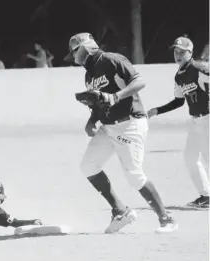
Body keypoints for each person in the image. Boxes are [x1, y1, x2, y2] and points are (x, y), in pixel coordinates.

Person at [64, 32, 178, 234]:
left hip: (130, 123)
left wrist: (115, 96)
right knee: (88, 166)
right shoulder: (89, 73)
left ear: (83, 48)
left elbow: (139, 82)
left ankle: (167, 219)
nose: (74, 59)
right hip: (108, 126)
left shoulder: (112, 60)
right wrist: (92, 120)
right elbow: (99, 103)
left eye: (74, 53)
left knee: (134, 175)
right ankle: (120, 211)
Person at [147, 36, 209, 208]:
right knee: (190, 157)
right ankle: (206, 196)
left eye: (182, 52)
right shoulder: (179, 76)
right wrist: (157, 110)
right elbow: (179, 101)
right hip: (197, 121)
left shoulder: (199, 68)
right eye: (176, 51)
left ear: (190, 52)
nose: (178, 55)